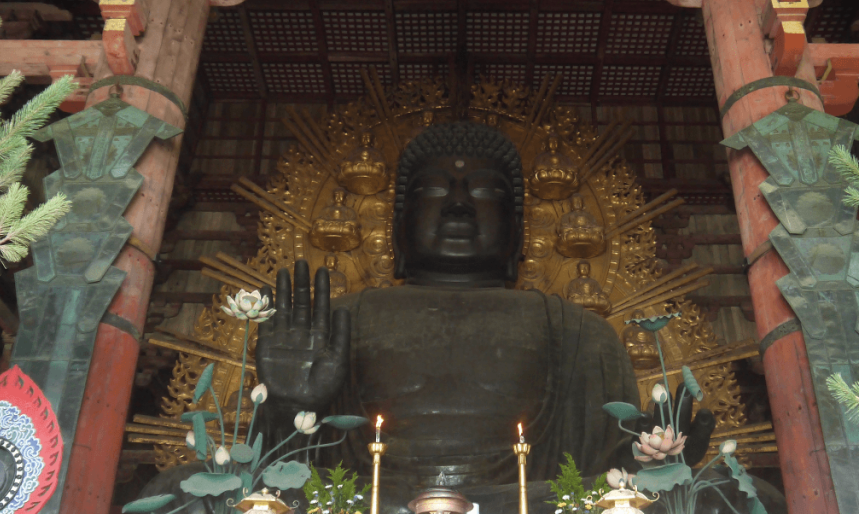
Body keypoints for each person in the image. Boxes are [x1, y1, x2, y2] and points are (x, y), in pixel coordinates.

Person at [140, 122, 741, 514]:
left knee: (725, 499)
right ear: (397, 226)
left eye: (482, 193)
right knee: (176, 497)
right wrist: (285, 405)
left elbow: (605, 472)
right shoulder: (342, 318)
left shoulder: (578, 331)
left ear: (518, 232)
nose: (457, 204)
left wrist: (663, 461)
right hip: (367, 503)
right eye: (434, 193)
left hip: (522, 504)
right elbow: (278, 471)